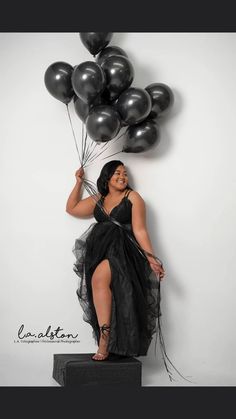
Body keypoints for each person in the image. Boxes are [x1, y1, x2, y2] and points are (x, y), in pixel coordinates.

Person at [66, 160, 165, 361]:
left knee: (98, 280)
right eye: (117, 173)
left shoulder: (133, 197)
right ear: (107, 177)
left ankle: (104, 340)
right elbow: (72, 208)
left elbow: (140, 230)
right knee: (99, 288)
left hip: (122, 250)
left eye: (125, 173)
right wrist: (78, 182)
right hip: (98, 249)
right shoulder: (99, 198)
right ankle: (106, 336)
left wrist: (152, 258)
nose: (122, 176)